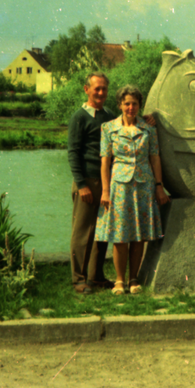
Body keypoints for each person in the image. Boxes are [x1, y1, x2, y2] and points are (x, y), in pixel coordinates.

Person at [97, 84, 170, 295]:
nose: (131, 107)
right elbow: (105, 162)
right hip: (119, 186)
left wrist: (159, 186)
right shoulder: (108, 128)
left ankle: (134, 279)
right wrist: (104, 190)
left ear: (140, 105)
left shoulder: (149, 129)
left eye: (135, 104)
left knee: (139, 234)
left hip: (144, 185)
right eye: (127, 103)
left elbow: (155, 158)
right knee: (120, 234)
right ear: (120, 104)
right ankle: (119, 280)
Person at [67, 72, 114, 294]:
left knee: (102, 231)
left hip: (106, 183)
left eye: (104, 88)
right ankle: (79, 279)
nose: (101, 93)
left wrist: (150, 118)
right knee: (82, 231)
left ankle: (96, 276)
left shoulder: (110, 116)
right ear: (87, 89)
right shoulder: (79, 117)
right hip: (86, 183)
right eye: (97, 88)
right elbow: (73, 152)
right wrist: (81, 184)